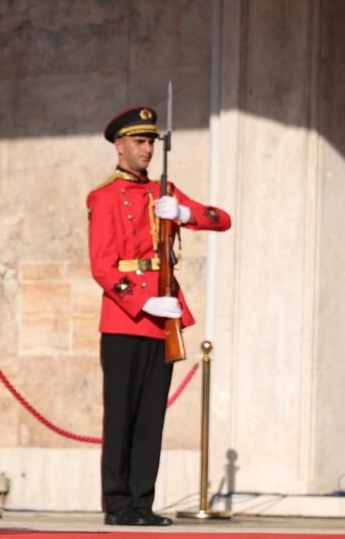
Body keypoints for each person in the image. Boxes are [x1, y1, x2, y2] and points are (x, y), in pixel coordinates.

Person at [87, 107, 231, 527]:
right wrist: (143, 302)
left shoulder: (164, 194)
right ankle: (117, 504)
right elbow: (102, 266)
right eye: (139, 141)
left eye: (150, 142)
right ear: (120, 145)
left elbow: (221, 219)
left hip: (164, 317)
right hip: (126, 319)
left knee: (152, 416)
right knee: (121, 415)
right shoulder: (104, 196)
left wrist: (185, 214)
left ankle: (141, 503)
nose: (146, 149)